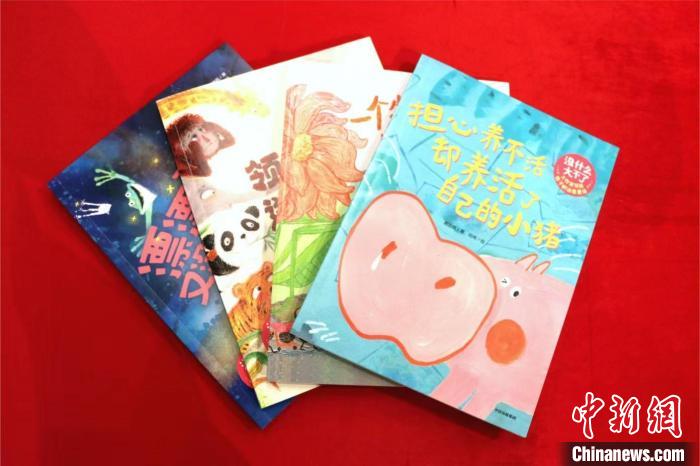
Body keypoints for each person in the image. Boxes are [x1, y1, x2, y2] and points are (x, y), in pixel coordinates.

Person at [166, 114, 235, 177]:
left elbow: (231, 141)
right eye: (193, 137)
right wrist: (196, 149)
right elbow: (206, 172)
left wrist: (213, 125)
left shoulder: (211, 145)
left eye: (201, 129)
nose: (207, 139)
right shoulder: (180, 164)